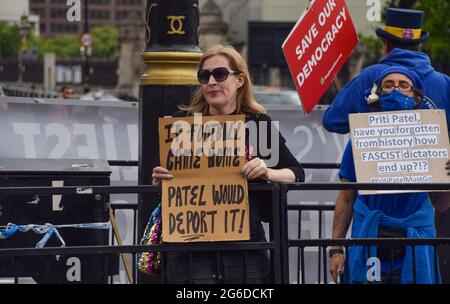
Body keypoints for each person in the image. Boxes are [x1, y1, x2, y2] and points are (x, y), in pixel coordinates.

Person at [151, 45, 305, 283]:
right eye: (204, 76)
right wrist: (160, 179)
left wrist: (267, 173)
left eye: (220, 74)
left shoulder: (258, 125)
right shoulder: (183, 125)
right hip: (192, 247)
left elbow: (296, 173)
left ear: (240, 79)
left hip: (245, 246)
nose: (211, 82)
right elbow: (170, 180)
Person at [329, 66, 441, 284]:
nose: (396, 90)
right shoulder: (360, 141)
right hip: (371, 244)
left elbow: (442, 202)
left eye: (404, 85)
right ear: (378, 96)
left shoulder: (432, 139)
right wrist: (335, 249)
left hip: (415, 244)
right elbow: (346, 197)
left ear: (417, 97)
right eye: (388, 86)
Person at [322, 8, 450, 134]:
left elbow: (332, 121)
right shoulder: (445, 83)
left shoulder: (369, 77)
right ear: (419, 46)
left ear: (386, 44)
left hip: (375, 154)